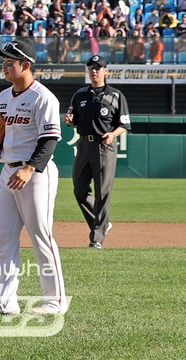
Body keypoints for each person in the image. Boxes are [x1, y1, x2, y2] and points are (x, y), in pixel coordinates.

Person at [0, 39, 67, 316]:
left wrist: (30, 168)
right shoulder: (4, 97)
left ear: (26, 65)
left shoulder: (43, 97)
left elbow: (50, 138)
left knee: (41, 235)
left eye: (10, 62)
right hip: (7, 170)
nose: (4, 66)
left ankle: (55, 301)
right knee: (4, 237)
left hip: (35, 174)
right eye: (3, 61)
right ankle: (6, 301)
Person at [65, 55, 130, 248]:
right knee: (79, 190)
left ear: (105, 71)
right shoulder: (80, 94)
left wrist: (113, 134)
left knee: (102, 191)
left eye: (98, 68)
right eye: (91, 68)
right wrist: (69, 119)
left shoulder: (115, 95)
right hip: (84, 144)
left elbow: (124, 123)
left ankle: (96, 238)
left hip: (104, 144)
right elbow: (72, 117)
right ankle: (102, 223)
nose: (94, 71)